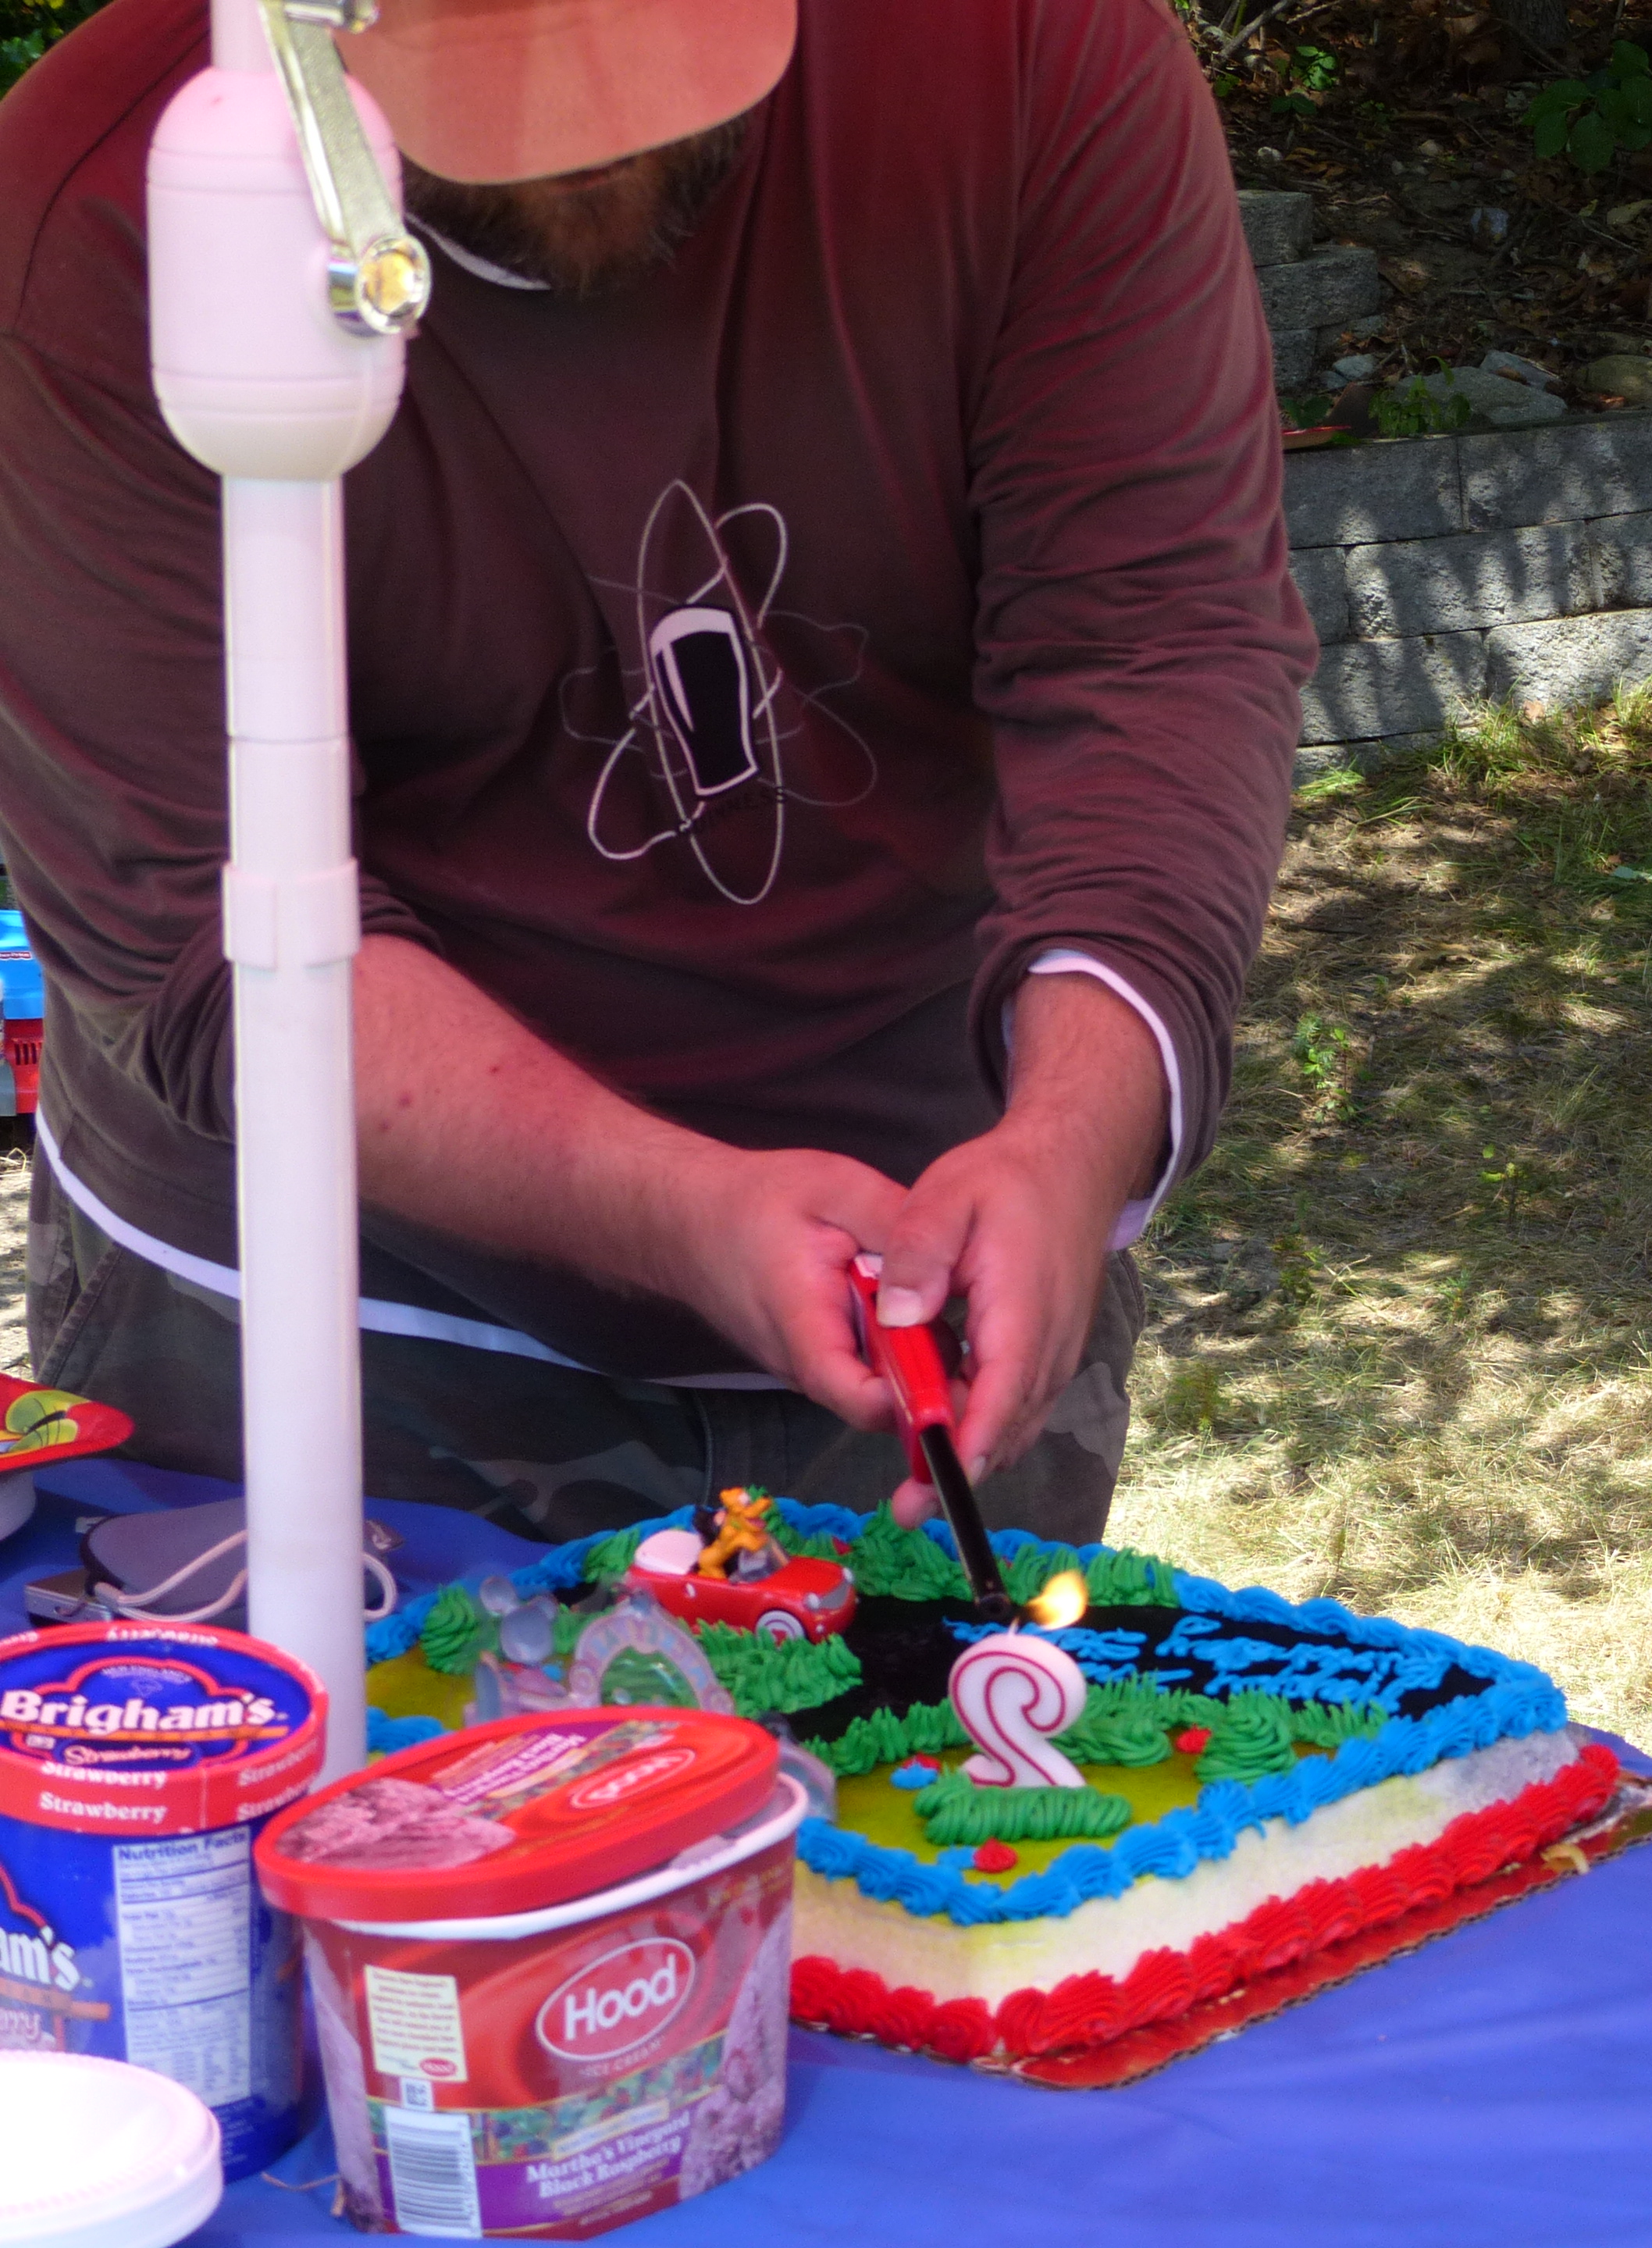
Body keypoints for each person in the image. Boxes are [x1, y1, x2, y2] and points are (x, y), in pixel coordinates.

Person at [0, 0, 1316, 1539]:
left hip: (935, 1262)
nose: (585, 140)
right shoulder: (102, 207)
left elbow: (1155, 649)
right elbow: (192, 919)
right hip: (323, 1302)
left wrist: (1066, 1144)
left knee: (939, 1704)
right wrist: (680, 1210)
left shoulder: (1030, 50)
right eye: (492, 82)